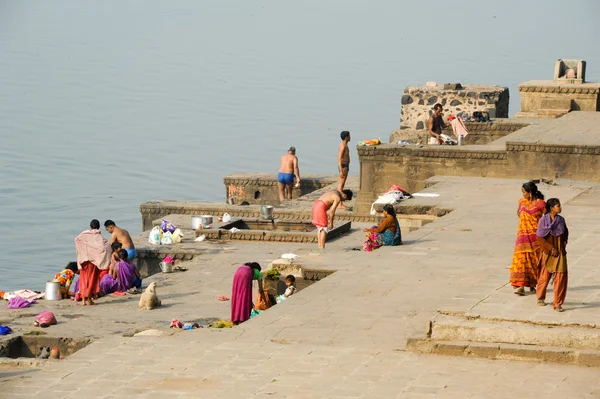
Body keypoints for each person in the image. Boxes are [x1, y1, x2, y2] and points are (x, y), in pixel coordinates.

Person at [509, 181, 546, 296]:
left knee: (535, 261)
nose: (522, 195)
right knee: (521, 260)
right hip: (522, 237)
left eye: (524, 192)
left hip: (536, 237)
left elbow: (548, 217)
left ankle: (532, 284)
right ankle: (520, 286)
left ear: (530, 193)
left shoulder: (540, 204)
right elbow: (519, 213)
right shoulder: (522, 202)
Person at [536, 198, 569, 312]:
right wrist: (550, 248)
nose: (560, 208)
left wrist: (562, 247)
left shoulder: (561, 220)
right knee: (545, 277)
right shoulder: (543, 221)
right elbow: (540, 238)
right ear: (551, 208)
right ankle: (540, 297)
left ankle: (558, 303)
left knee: (560, 279)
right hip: (548, 253)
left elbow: (565, 233)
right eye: (558, 206)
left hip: (560, 253)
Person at [75, 219, 111, 306]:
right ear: (98, 227)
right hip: (93, 262)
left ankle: (83, 300)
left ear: (90, 226)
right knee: (91, 280)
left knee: (83, 280)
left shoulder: (83, 234)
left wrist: (84, 252)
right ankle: (89, 300)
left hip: (83, 261)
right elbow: (105, 246)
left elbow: (77, 240)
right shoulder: (98, 236)